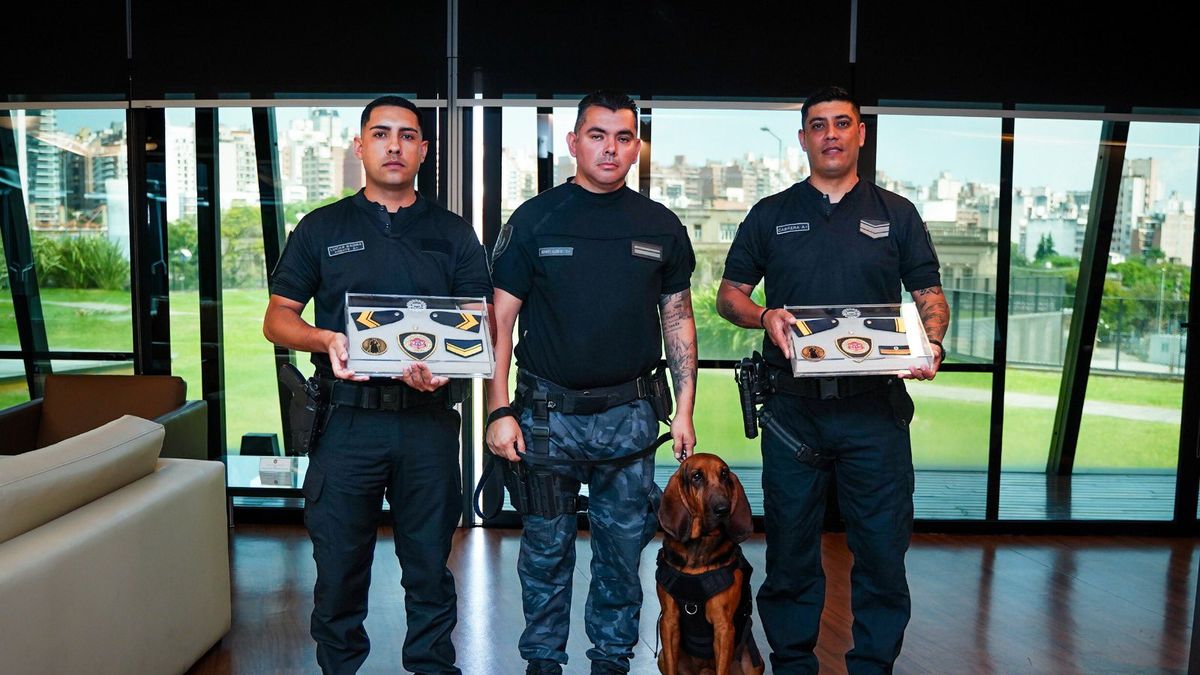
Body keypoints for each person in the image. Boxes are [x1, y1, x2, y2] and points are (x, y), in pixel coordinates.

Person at [716, 85, 950, 674]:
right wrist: (764, 316)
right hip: (793, 414)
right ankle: (794, 665)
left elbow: (929, 295)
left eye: (842, 123)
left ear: (860, 134)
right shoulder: (771, 214)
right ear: (803, 139)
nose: (831, 135)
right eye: (818, 125)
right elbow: (728, 296)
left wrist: (932, 343)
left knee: (882, 557)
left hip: (875, 413)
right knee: (791, 557)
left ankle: (873, 665)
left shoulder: (896, 214)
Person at [263, 95, 492, 675]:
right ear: (359, 145)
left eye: (407, 135)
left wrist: (449, 365)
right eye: (381, 134)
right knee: (339, 570)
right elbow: (278, 318)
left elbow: (477, 325)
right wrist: (326, 339)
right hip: (346, 424)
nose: (394, 145)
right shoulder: (322, 228)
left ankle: (432, 666)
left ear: (423, 149)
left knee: (430, 570)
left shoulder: (453, 233)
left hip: (427, 423)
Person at [485, 90, 698, 675]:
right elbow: (499, 322)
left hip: (630, 416)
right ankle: (543, 662)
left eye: (623, 137)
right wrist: (498, 410)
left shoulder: (660, 226)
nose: (610, 148)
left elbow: (678, 319)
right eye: (597, 136)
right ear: (574, 143)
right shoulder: (535, 220)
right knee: (545, 552)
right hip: (546, 417)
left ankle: (611, 660)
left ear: (636, 147)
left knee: (621, 553)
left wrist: (683, 409)